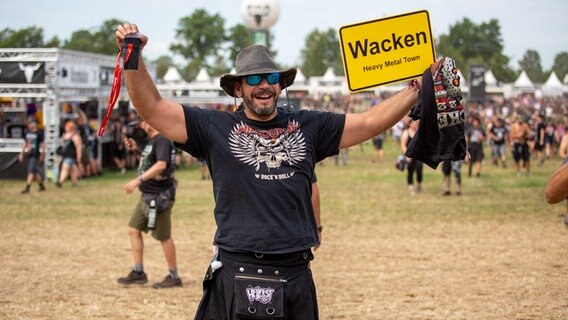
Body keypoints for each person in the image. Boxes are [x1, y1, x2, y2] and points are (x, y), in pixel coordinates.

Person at [115, 22, 429, 319]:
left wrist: (419, 86)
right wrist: (133, 55)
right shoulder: (213, 127)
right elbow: (151, 107)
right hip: (237, 267)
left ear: (280, 84)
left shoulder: (310, 126)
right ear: (238, 88)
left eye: (270, 78)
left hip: (295, 270)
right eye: (253, 79)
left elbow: (369, 122)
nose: (263, 85)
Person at [117, 115, 182, 289]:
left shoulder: (162, 140)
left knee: (163, 237)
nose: (139, 128)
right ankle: (138, 272)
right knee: (133, 229)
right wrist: (136, 151)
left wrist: (137, 181)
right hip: (147, 195)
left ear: (149, 123)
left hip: (159, 196)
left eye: (140, 124)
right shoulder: (152, 141)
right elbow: (148, 163)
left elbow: (161, 165)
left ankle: (174, 276)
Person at [18, 120, 46, 194]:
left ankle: (27, 187)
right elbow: (25, 143)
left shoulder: (39, 133)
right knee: (34, 171)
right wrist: (21, 153)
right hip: (29, 154)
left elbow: (42, 145)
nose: (29, 126)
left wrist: (42, 154)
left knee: (31, 170)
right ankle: (41, 186)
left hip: (35, 154)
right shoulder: (26, 132)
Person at [55, 120, 82, 188]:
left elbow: (78, 148)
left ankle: (60, 182)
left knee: (65, 169)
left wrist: (79, 156)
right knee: (73, 169)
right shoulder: (70, 136)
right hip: (68, 155)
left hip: (69, 155)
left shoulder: (74, 137)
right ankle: (75, 183)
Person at [400, 118, 423, 195]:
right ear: (410, 124)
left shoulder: (419, 132)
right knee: (410, 171)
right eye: (414, 123)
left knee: (419, 170)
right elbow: (403, 144)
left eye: (416, 123)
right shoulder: (406, 132)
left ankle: (419, 185)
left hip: (418, 155)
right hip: (410, 155)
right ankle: (411, 188)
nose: (415, 124)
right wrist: (407, 155)